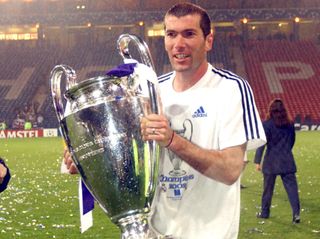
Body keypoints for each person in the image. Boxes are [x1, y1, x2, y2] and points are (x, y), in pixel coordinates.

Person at [64, 3, 266, 238]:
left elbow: (230, 170)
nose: (179, 44)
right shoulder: (149, 91)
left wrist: (172, 140)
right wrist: (92, 160)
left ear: (208, 40)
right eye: (171, 34)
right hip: (151, 233)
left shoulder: (231, 89)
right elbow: (132, 166)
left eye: (189, 34)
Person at [254, 98, 300, 224]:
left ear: (271, 110)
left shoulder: (266, 124)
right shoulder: (290, 123)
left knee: (267, 190)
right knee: (292, 190)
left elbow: (262, 144)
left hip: (271, 162)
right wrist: (285, 151)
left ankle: (265, 213)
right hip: (287, 161)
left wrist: (257, 161)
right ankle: (296, 214)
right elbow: (292, 141)